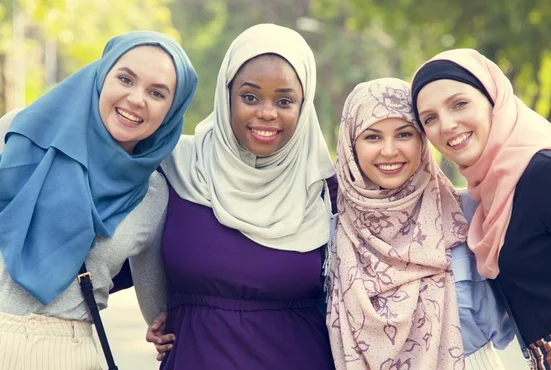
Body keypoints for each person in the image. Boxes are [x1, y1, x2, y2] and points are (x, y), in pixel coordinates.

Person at [0, 30, 198, 370]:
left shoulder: (151, 193)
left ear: (171, 110)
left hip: (69, 354)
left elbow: (158, 306)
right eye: (125, 79)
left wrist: (167, 328)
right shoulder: (19, 132)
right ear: (101, 76)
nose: (137, 99)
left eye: (157, 93)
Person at [147, 23, 337, 369]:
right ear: (226, 95)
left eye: (285, 100)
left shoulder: (325, 188)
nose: (267, 112)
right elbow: (117, 252)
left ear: (304, 105)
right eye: (250, 97)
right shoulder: (178, 167)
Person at [411, 48, 551, 370]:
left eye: (459, 104)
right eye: (430, 118)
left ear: (493, 100)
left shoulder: (544, 174)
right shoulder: (491, 193)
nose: (447, 124)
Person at [326, 77, 512, 370]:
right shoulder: (333, 233)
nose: (389, 151)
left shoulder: (467, 213)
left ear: (423, 140)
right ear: (351, 145)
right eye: (372, 137)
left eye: (404, 134)